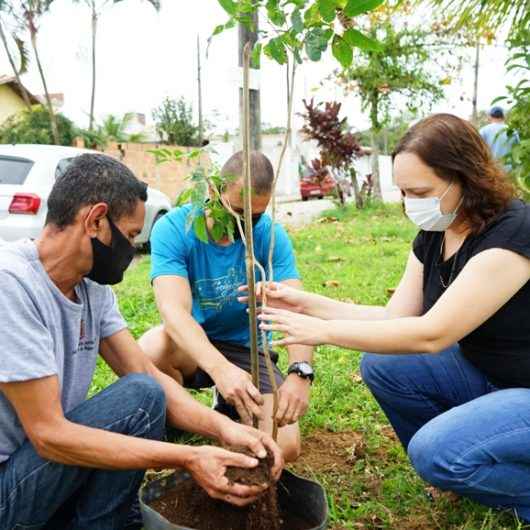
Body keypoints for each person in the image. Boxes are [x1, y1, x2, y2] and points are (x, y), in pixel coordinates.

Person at [249, 114, 530, 522]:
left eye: (419, 191)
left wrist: (322, 332)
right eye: (403, 191)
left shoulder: (512, 234)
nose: (409, 204)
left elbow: (433, 334)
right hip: (492, 375)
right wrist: (302, 302)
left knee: (435, 451)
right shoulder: (437, 232)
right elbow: (392, 316)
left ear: (466, 179)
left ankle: (471, 471)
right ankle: (458, 471)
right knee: (384, 364)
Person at [0, 154, 283, 530]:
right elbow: (50, 436)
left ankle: (105, 522)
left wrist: (223, 428)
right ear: (96, 220)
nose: (132, 250)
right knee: (139, 395)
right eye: (131, 235)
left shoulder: (92, 291)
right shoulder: (11, 284)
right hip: (9, 489)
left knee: (144, 391)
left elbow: (146, 373)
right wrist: (188, 458)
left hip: (44, 471)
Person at [140, 151, 314, 463]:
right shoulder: (173, 228)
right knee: (152, 347)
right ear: (213, 191)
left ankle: (231, 407)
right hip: (194, 346)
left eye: (255, 216)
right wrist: (220, 370)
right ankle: (178, 418)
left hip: (248, 351)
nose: (245, 225)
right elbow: (174, 312)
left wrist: (300, 372)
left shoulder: (269, 235)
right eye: (237, 212)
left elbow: (295, 307)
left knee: (284, 447)